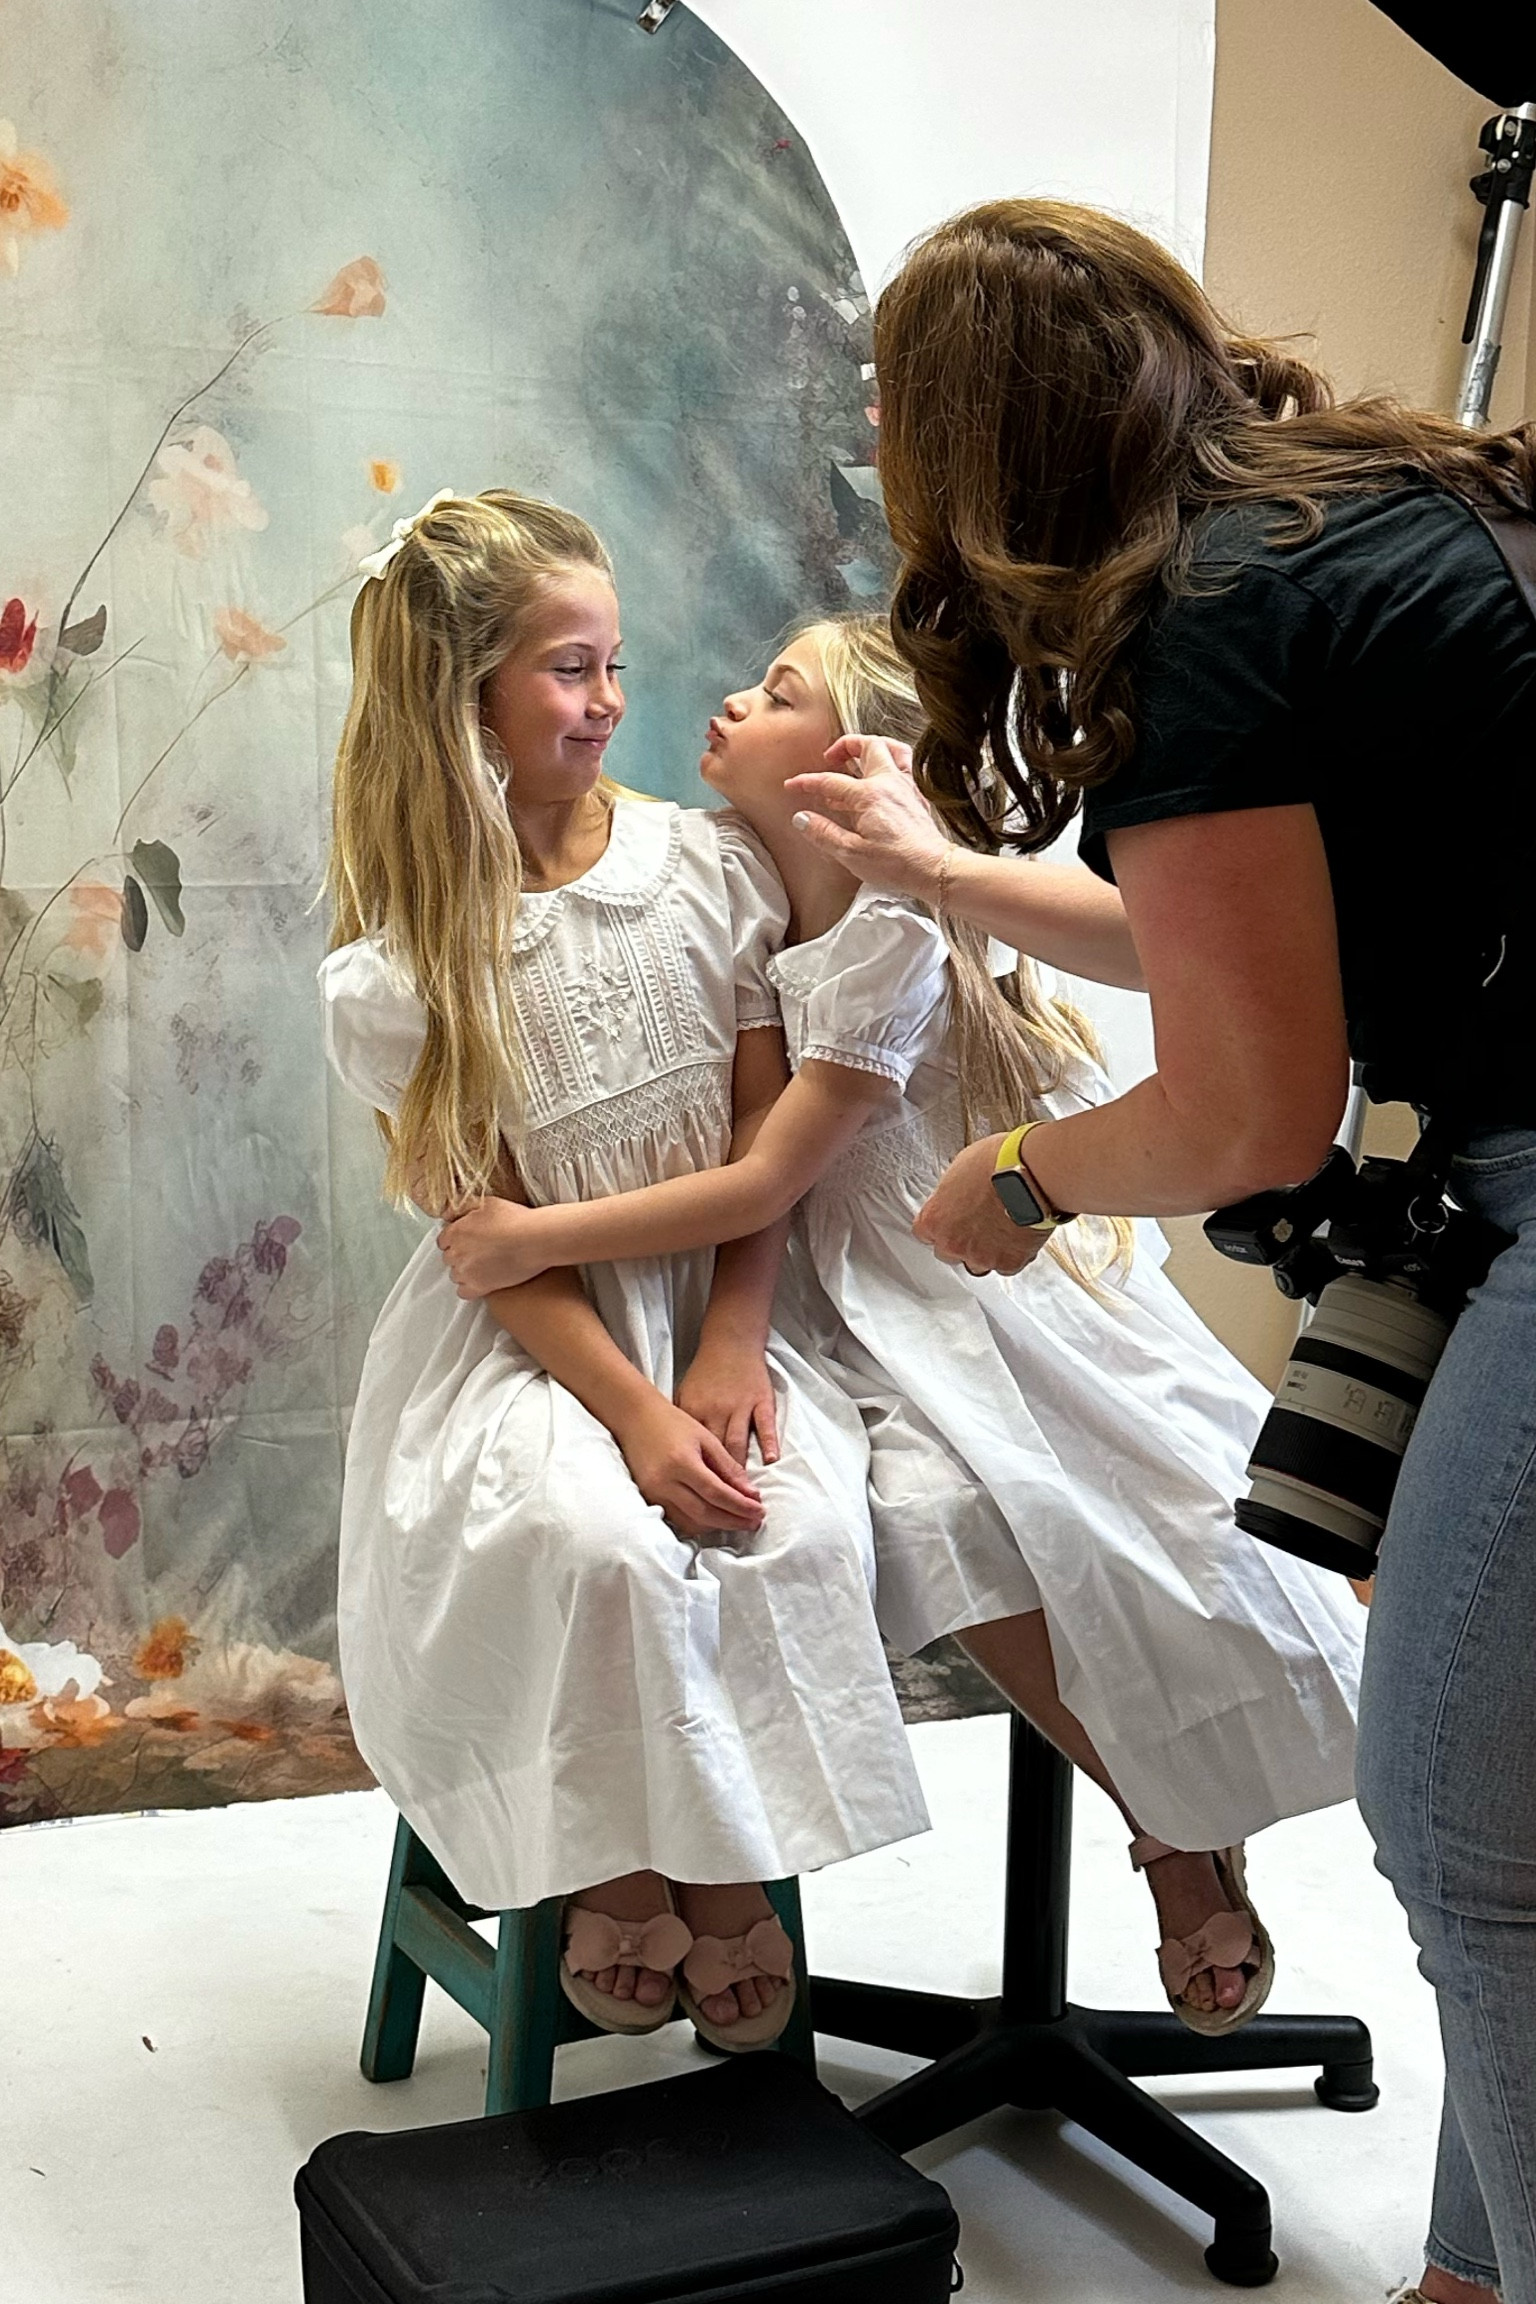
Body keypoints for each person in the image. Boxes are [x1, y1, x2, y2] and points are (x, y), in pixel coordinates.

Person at [780, 204, 1536, 2304]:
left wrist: (1017, 1181)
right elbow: (1250, 954)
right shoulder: (1352, 510)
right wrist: (953, 875)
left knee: (1468, 1833)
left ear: (974, 444)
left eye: (889, 419)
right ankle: (1467, 2270)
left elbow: (1245, 1113)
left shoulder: (1198, 622)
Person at [439, 611, 1366, 2033]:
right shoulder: (731, 880)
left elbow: (768, 1172)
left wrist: (528, 1241)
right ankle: (1159, 1824)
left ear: (858, 751)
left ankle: (1175, 1835)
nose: (730, 699)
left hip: (971, 1284)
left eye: (780, 691)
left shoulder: (890, 936)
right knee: (934, 1516)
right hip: (845, 1308)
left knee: (1150, 1510)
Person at [318, 488, 928, 2053]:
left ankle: (712, 1871)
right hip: (534, 1352)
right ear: (467, 697)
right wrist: (638, 1419)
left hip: (717, 1316)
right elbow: (490, 1250)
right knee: (597, 1541)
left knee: (786, 1537)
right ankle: (632, 1871)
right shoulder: (405, 967)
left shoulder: (701, 870)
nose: (609, 703)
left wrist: (726, 1359)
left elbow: (756, 1144)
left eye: (615, 665)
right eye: (569, 671)